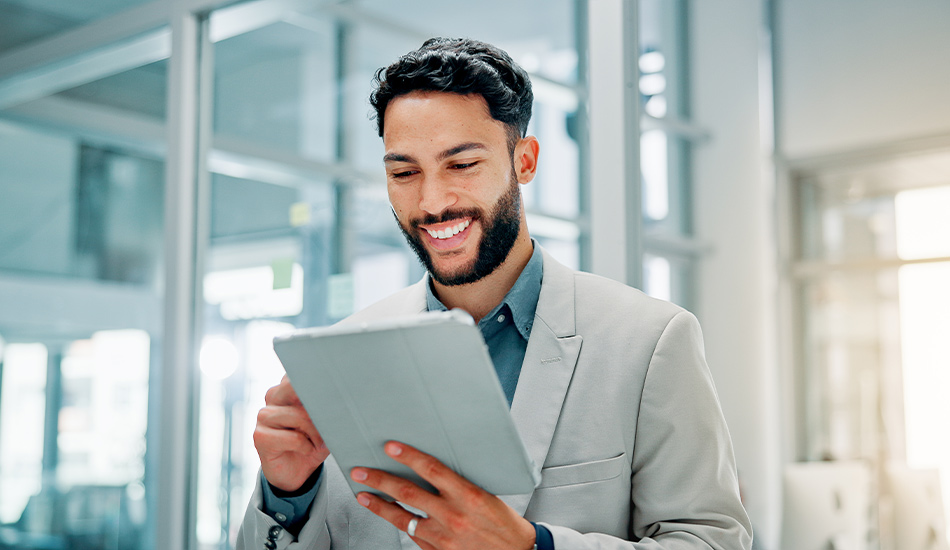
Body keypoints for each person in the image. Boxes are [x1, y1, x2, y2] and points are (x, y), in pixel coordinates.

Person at [237, 37, 752, 550]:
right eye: (404, 172)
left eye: (462, 165)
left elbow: (712, 542)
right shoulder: (344, 354)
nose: (432, 201)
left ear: (524, 161)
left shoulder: (650, 341)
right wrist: (288, 491)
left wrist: (533, 546)